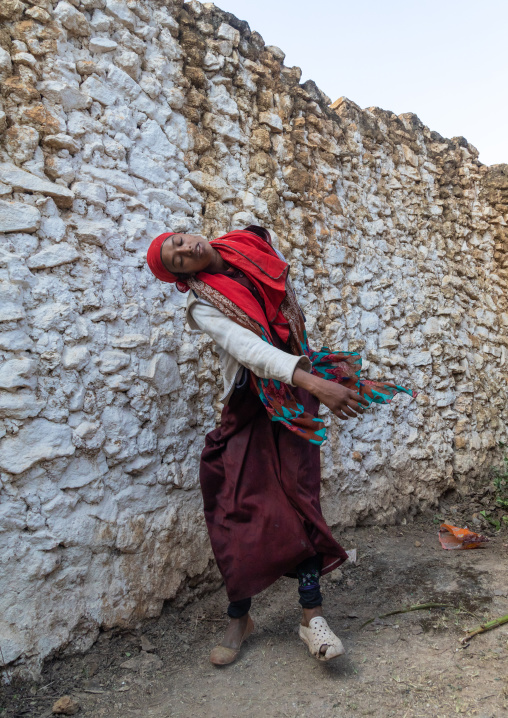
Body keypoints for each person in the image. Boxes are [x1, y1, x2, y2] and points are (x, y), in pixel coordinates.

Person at [146, 226, 415, 665]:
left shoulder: (251, 249)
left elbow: (285, 319)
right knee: (232, 502)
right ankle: (240, 616)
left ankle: (312, 618)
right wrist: (317, 383)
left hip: (294, 396)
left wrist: (311, 382)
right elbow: (249, 350)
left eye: (179, 241)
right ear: (182, 276)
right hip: (252, 402)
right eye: (176, 260)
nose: (185, 250)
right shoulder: (201, 304)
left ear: (189, 233)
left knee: (299, 499)